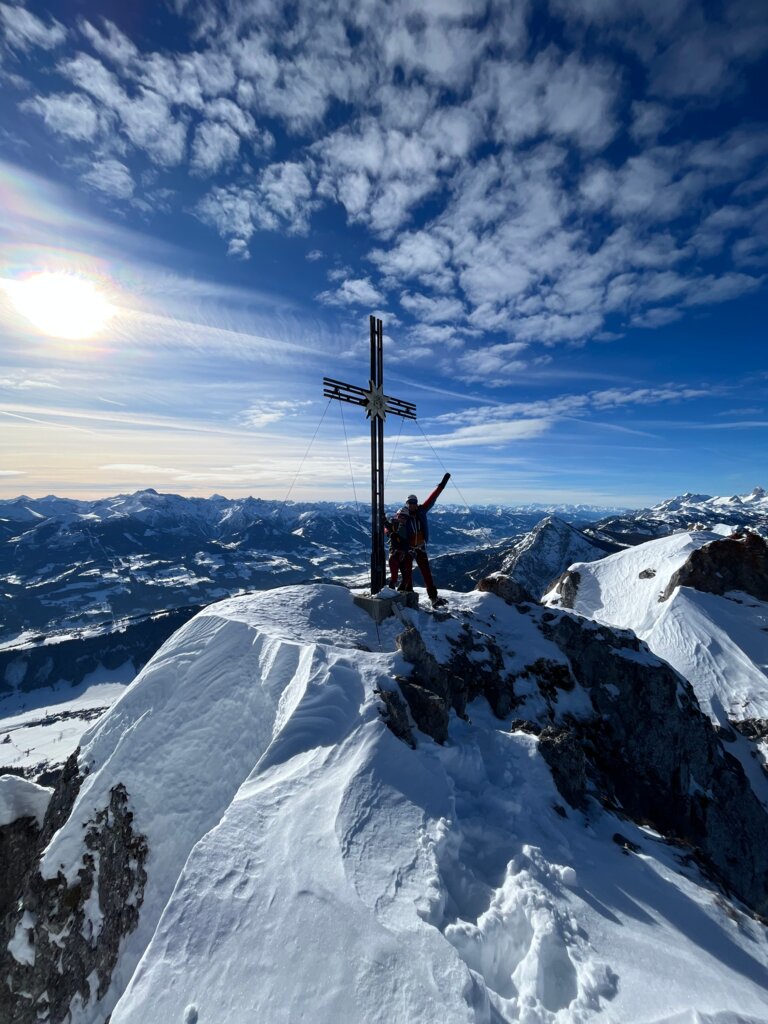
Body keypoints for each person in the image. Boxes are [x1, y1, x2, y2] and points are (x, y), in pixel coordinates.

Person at [401, 472, 451, 607]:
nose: (412, 505)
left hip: (420, 547)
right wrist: (388, 531)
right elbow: (392, 525)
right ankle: (408, 595)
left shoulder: (421, 511)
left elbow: (432, 498)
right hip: (409, 549)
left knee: (426, 573)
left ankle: (433, 598)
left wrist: (442, 485)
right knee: (407, 573)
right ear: (407, 504)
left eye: (414, 503)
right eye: (410, 503)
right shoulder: (402, 514)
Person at [383, 509, 412, 591]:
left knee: (404, 573)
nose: (402, 519)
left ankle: (399, 588)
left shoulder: (407, 528)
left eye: (404, 517)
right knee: (395, 570)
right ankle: (392, 585)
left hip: (402, 553)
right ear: (397, 516)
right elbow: (389, 527)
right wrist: (384, 520)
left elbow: (405, 540)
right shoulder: (395, 524)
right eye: (400, 517)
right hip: (396, 553)